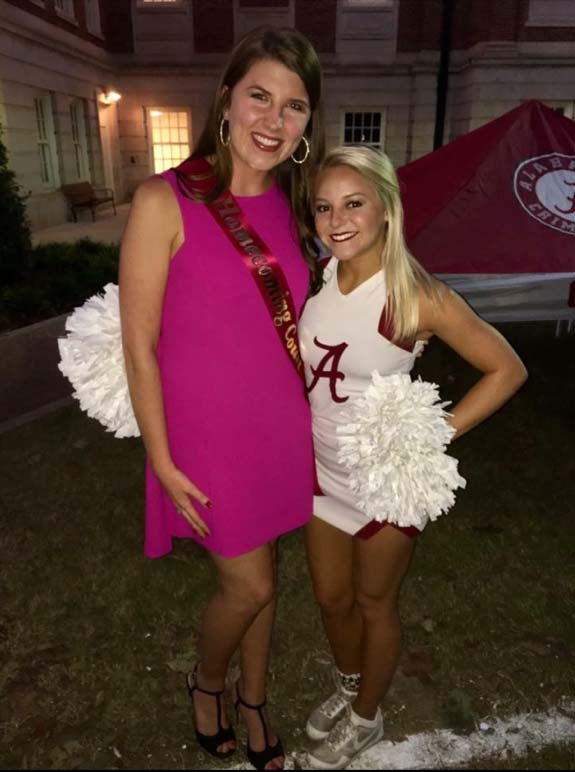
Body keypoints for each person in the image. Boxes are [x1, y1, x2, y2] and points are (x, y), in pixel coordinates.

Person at [119, 26, 324, 771]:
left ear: (308, 126)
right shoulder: (162, 200)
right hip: (203, 435)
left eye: (294, 107)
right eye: (260, 97)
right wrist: (161, 459)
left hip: (279, 427)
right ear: (226, 100)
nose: (273, 121)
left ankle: (255, 698)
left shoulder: (303, 210)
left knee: (266, 569)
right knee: (250, 582)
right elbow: (138, 343)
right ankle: (206, 682)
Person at [298, 145, 528, 770]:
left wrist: (431, 436)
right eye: (323, 207)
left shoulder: (415, 295)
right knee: (330, 598)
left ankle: (367, 717)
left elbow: (507, 369)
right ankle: (348, 684)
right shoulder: (320, 276)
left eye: (353, 204)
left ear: (386, 210)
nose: (336, 220)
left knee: (375, 604)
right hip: (321, 473)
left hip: (383, 484)